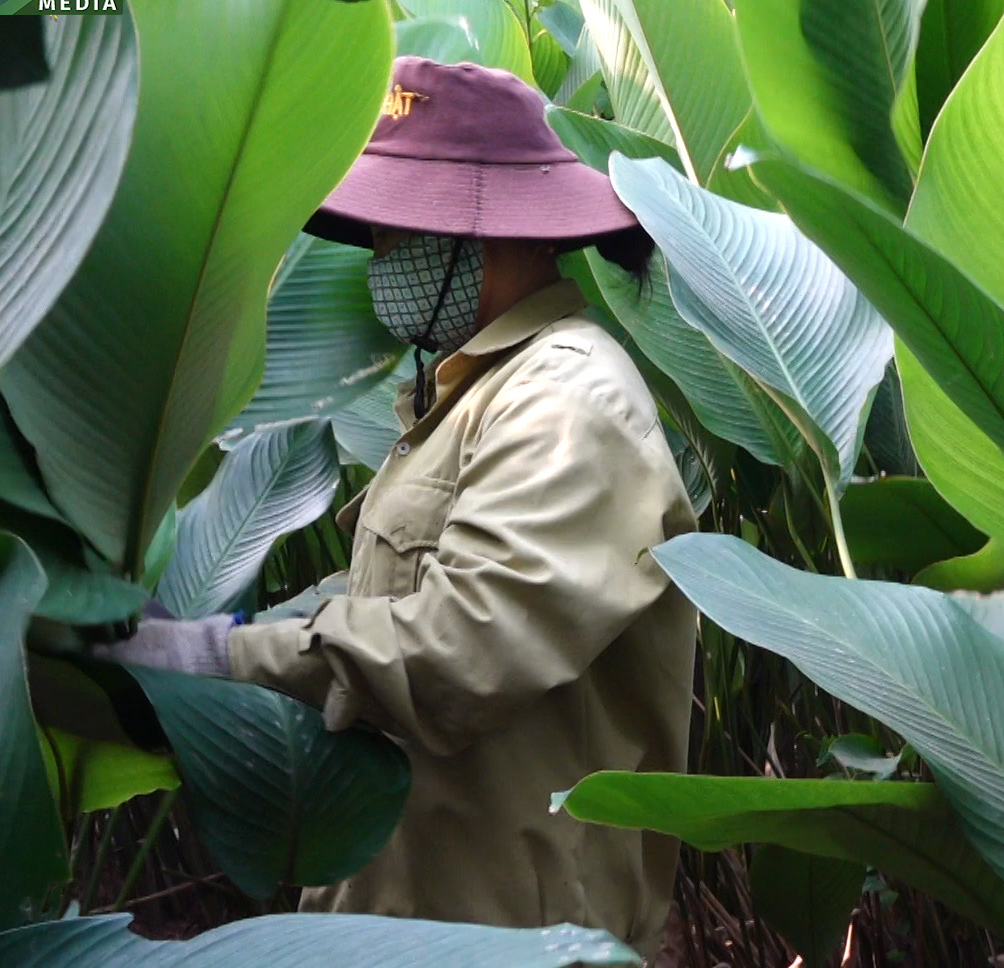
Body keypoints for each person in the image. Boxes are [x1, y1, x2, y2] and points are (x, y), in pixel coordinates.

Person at [94, 57, 698, 956]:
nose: (383, 252)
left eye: (402, 229)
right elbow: (382, 593)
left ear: (498, 236)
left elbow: (460, 647)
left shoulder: (568, 401)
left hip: (520, 936)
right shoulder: (479, 393)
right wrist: (199, 643)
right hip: (409, 918)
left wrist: (217, 657)